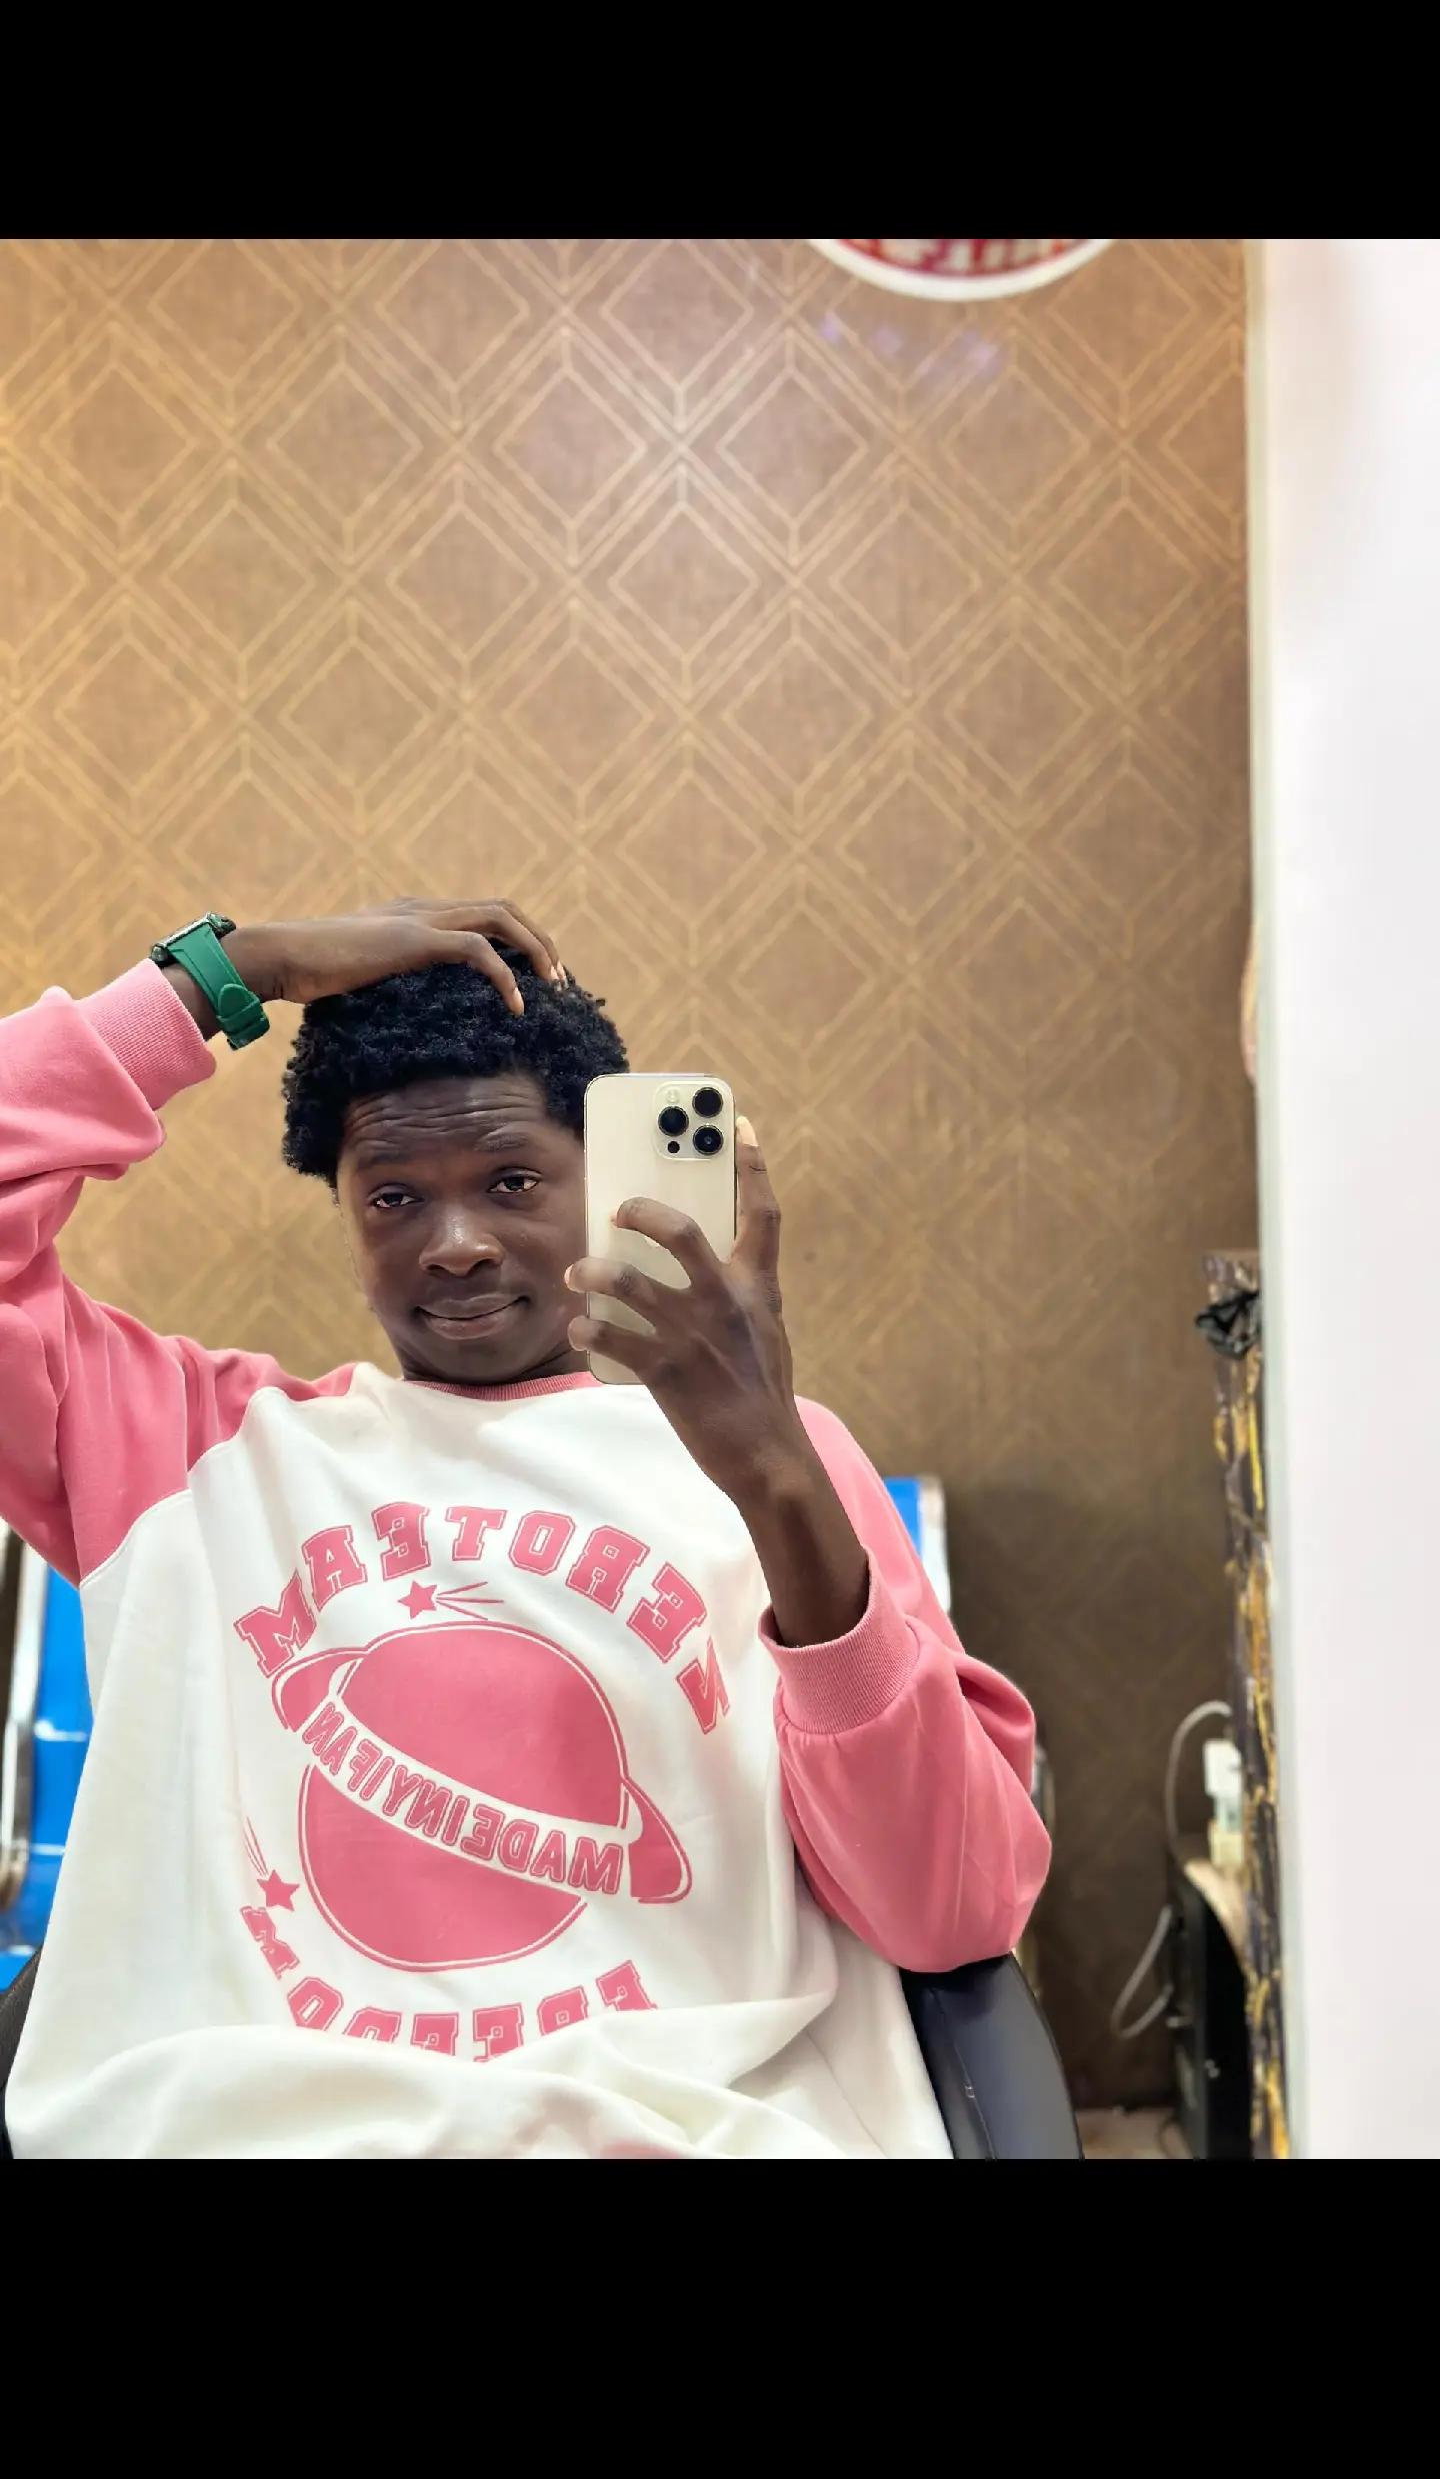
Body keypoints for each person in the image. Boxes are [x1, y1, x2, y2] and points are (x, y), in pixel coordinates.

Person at [0, 898, 1049, 2159]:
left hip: (695, 2126)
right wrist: (234, 970)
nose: (454, 1245)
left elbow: (949, 1908)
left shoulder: (782, 1461)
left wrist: (775, 1477)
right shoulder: (189, 1453)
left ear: (601, 1183)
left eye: (511, 1181)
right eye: (394, 1196)